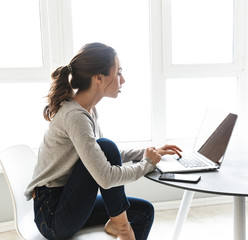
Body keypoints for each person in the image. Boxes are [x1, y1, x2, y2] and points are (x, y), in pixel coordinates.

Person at [25, 42, 182, 240]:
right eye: (118, 72)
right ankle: (122, 227)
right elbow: (106, 176)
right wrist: (147, 165)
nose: (123, 80)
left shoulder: (87, 110)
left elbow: (98, 157)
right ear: (98, 78)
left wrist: (149, 152)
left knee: (144, 212)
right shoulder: (75, 116)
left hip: (69, 201)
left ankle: (120, 224)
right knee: (106, 146)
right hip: (53, 215)